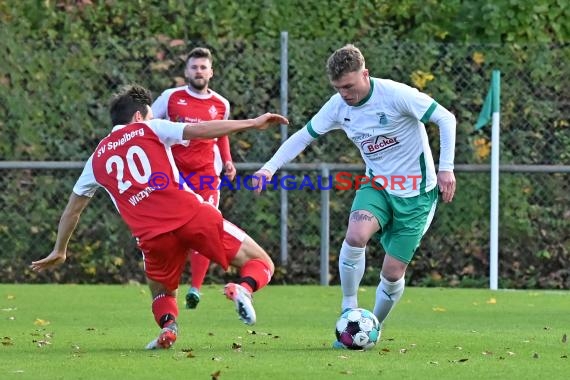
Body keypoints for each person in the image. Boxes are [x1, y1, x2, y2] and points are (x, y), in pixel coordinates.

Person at [30, 84, 288, 350]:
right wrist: (252, 123)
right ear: (139, 117)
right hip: (190, 216)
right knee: (261, 262)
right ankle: (243, 289)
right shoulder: (149, 128)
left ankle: (169, 327)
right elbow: (199, 130)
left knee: (162, 291)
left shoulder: (96, 159)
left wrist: (60, 249)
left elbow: (73, 209)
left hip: (152, 238)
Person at [252, 44, 456, 348]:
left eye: (349, 86)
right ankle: (349, 309)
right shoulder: (338, 106)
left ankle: (371, 327)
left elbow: (446, 118)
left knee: (392, 271)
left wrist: (446, 169)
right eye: (338, 88)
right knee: (356, 235)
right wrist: (268, 169)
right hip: (378, 187)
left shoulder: (397, 94)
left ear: (365, 74)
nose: (344, 93)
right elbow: (303, 137)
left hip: (417, 195)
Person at [151, 47, 236, 310]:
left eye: (203, 67)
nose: (198, 72)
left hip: (206, 176)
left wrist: (229, 160)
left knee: (206, 228)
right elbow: (149, 127)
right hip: (174, 177)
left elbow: (221, 134)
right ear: (186, 71)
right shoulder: (170, 97)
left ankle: (196, 288)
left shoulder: (221, 104)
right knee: (173, 233)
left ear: (211, 71)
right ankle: (170, 286)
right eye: (194, 67)